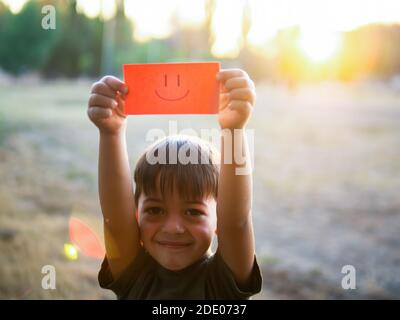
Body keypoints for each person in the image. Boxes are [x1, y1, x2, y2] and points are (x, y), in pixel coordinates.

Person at [87, 68, 262, 299]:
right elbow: (115, 220)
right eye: (155, 210)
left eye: (192, 211)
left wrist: (233, 129)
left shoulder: (223, 281)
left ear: (218, 216)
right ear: (136, 214)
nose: (173, 227)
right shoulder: (134, 273)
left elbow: (236, 222)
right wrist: (111, 132)